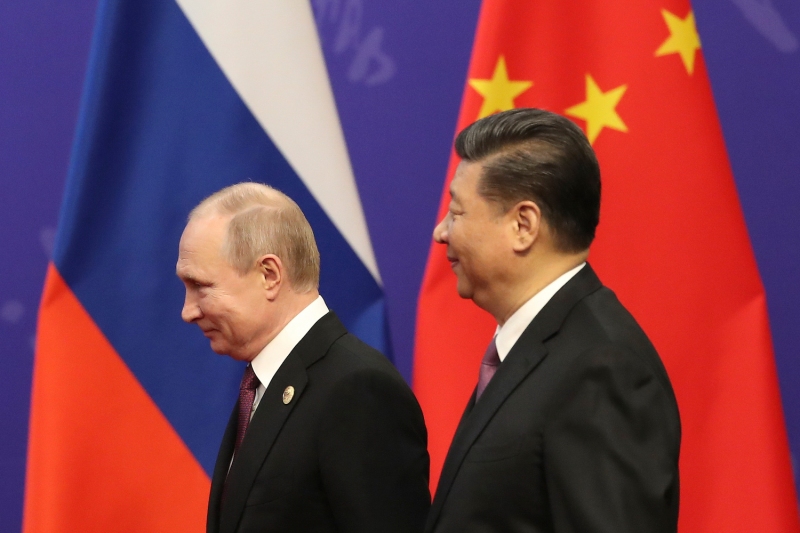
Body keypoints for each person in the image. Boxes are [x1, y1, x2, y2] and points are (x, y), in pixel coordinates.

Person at [425, 108, 680, 533]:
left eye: (458, 212)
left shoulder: (602, 367)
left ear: (523, 225)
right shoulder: (536, 349)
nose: (441, 231)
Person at [176, 182, 430, 533]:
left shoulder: (358, 389)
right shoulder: (264, 383)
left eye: (201, 287)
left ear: (269, 275)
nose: (187, 311)